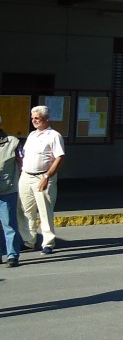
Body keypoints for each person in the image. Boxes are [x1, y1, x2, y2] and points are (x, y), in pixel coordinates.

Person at [19, 105, 64, 255]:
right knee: (25, 210)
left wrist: (47, 176)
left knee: (45, 211)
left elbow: (59, 157)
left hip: (43, 176)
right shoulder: (32, 135)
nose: (34, 121)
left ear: (46, 118)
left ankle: (48, 243)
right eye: (32, 118)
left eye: (37, 118)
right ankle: (29, 240)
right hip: (26, 176)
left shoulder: (54, 135)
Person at [0, 120, 24, 266]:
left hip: (7, 189)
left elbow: (22, 162)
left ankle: (12, 255)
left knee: (9, 223)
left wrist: (17, 180)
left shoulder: (13, 142)